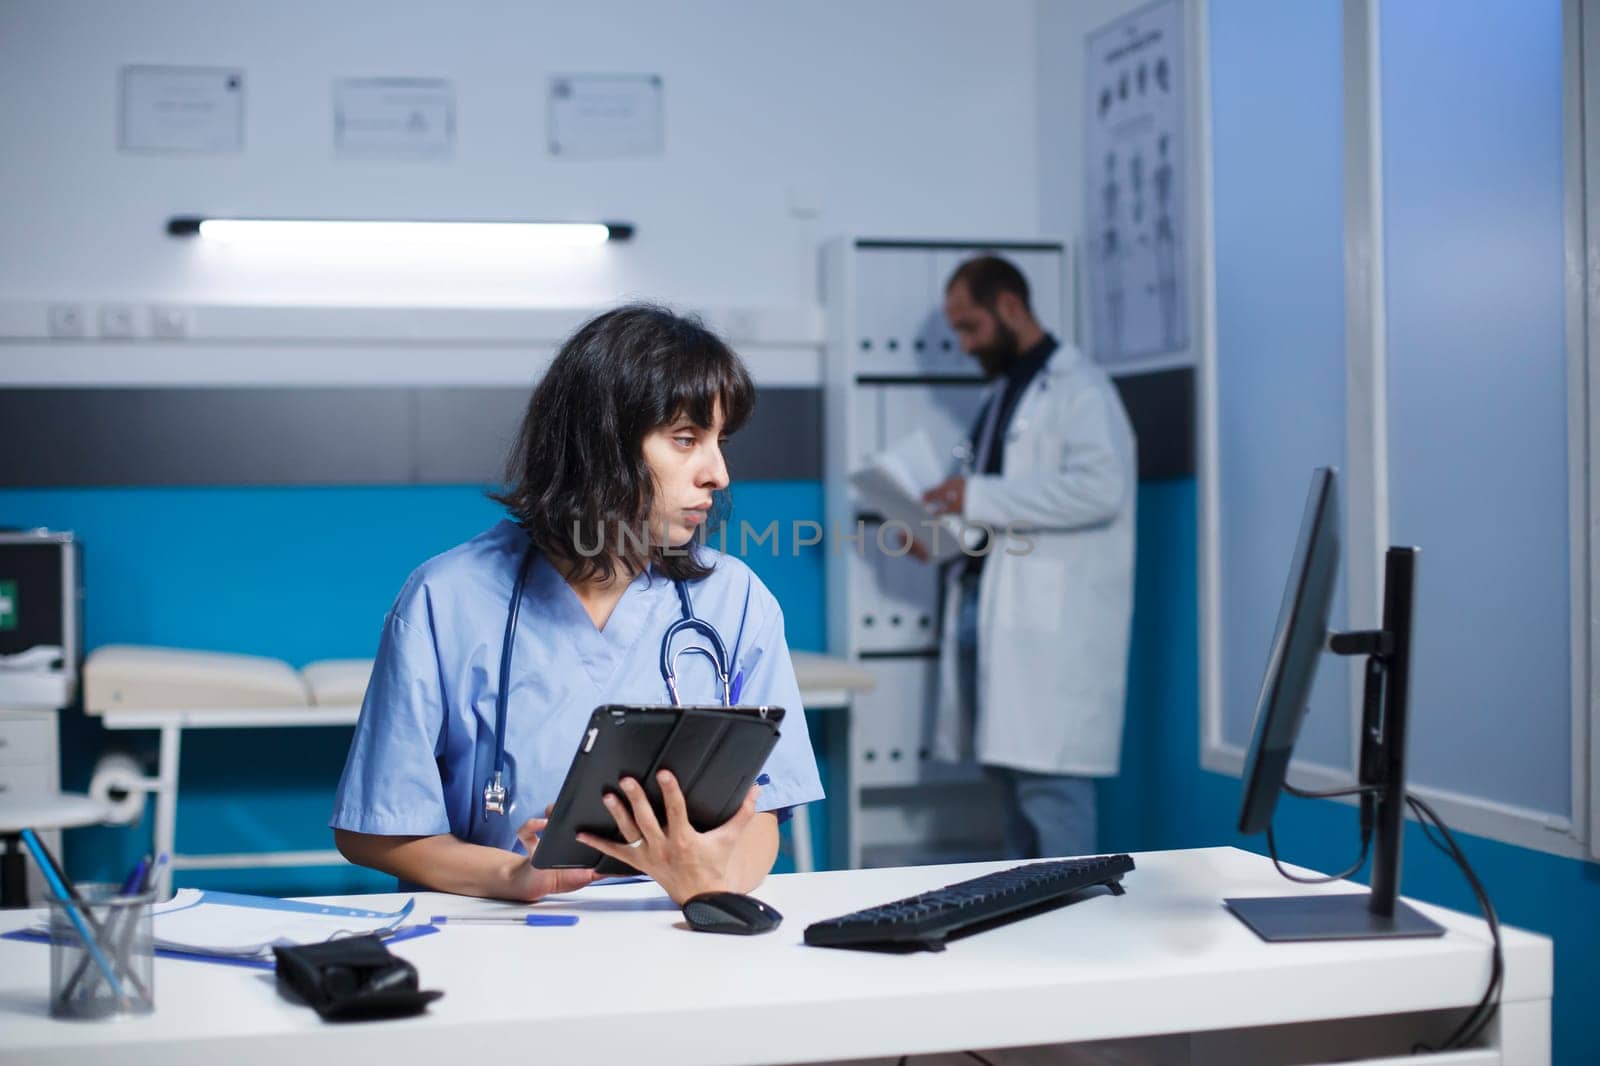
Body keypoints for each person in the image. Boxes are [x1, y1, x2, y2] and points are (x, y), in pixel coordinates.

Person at [330, 304, 824, 904]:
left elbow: (765, 813)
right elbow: (373, 831)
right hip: (500, 939)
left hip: (678, 934)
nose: (718, 472)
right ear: (601, 443)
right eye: (687, 439)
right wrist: (513, 877)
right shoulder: (446, 599)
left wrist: (708, 885)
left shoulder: (737, 600)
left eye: (720, 441)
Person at [919, 255, 1136, 859]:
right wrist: (942, 534)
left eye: (970, 327)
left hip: (1051, 632)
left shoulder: (1082, 389)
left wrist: (974, 495)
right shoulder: (1004, 396)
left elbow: (1101, 489)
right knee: (1013, 790)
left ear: (1009, 307)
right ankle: (1028, 917)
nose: (964, 345)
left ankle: (1077, 924)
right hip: (995, 615)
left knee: (1051, 791)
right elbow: (1006, 513)